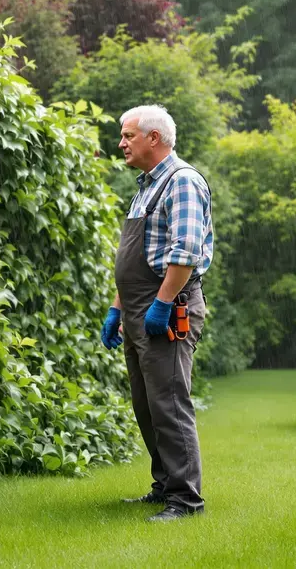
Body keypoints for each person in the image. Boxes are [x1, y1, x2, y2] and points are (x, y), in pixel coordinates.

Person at [99, 105, 212, 523]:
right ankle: (164, 485)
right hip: (136, 309)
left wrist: (162, 304)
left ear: (154, 138)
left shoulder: (181, 182)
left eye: (128, 136)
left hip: (168, 307)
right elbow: (132, 259)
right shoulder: (145, 186)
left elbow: (185, 254)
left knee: (169, 403)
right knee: (146, 404)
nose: (121, 143)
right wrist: (117, 308)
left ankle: (185, 500)